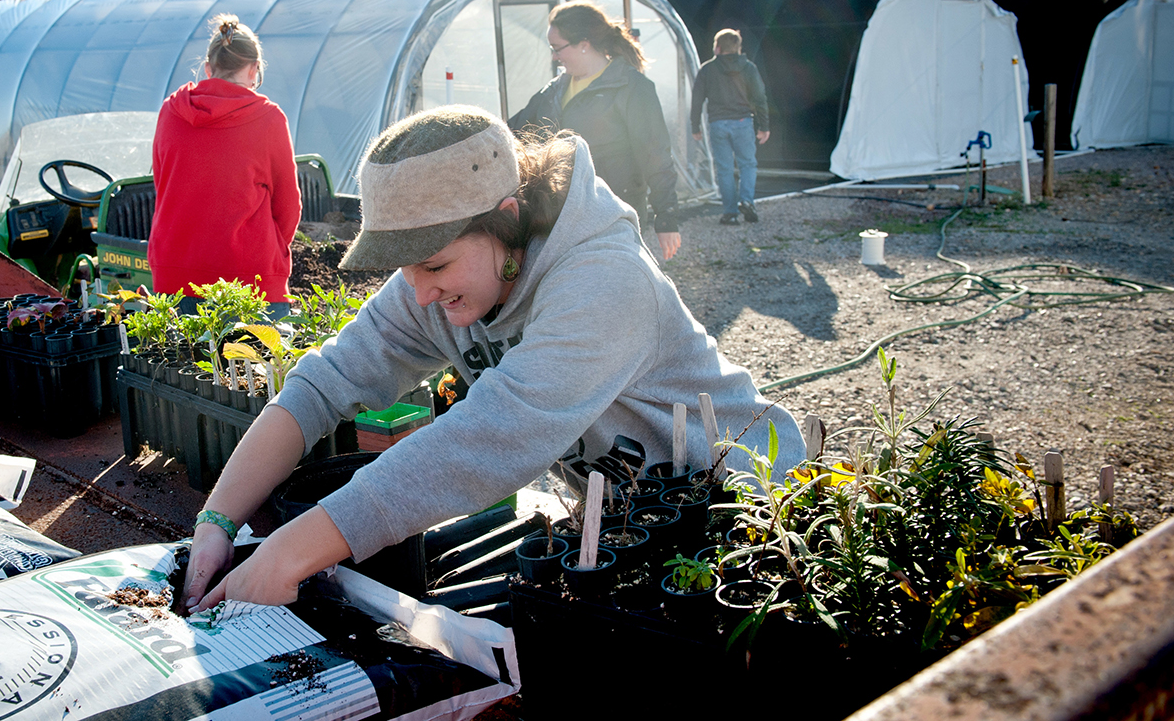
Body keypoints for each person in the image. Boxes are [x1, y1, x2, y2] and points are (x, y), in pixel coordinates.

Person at [179, 105, 804, 612]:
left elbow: (490, 439)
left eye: (434, 265)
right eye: (407, 268)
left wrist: (291, 551)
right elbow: (324, 383)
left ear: (505, 218)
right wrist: (217, 520)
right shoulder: (440, 280)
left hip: (746, 508)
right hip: (625, 516)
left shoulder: (604, 281)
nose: (419, 293)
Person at [148, 15, 301, 316]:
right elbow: (288, 206)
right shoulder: (268, 119)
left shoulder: (171, 111)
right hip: (249, 280)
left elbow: (163, 185)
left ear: (208, 68)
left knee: (180, 364)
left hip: (175, 275)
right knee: (258, 363)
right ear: (254, 69)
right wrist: (265, 250)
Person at [509, 0, 682, 262]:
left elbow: (655, 153)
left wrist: (666, 218)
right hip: (561, 217)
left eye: (557, 48)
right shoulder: (554, 90)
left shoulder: (631, 87)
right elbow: (513, 131)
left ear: (584, 45)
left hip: (612, 214)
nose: (554, 56)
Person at [689, 29, 769, 225]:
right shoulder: (749, 68)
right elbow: (760, 98)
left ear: (717, 47)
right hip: (743, 122)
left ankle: (730, 213)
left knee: (724, 169)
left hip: (717, 124)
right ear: (738, 48)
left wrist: (695, 126)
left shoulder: (707, 69)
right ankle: (747, 201)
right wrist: (764, 126)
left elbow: (697, 99)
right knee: (748, 164)